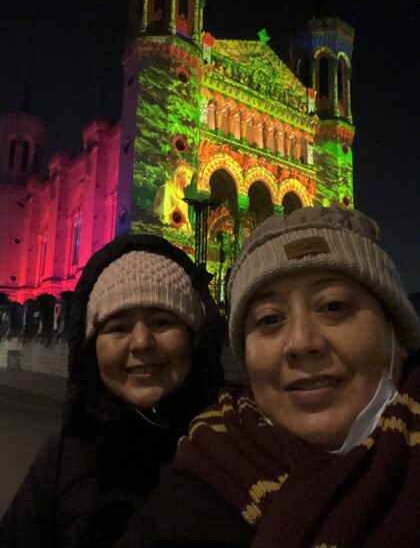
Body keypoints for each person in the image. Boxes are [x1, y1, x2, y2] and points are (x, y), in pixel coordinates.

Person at [119, 207, 420, 548]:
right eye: (269, 319)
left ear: (397, 335)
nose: (301, 343)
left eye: (333, 306)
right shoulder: (189, 496)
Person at [0, 233, 223, 547]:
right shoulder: (62, 461)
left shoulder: (234, 450)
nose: (141, 342)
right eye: (119, 327)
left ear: (195, 339)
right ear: (91, 349)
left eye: (162, 322)